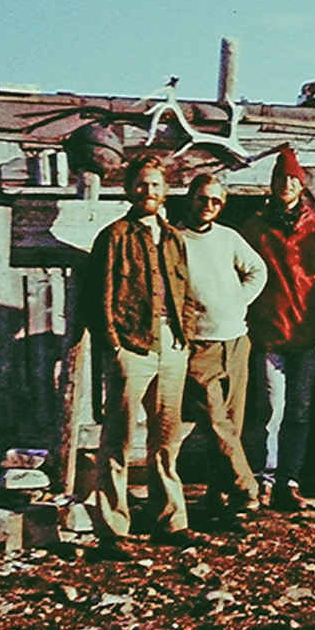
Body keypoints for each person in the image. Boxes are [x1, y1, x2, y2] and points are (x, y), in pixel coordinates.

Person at [87, 155, 194, 545]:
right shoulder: (114, 236)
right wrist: (114, 344)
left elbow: (185, 292)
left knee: (166, 440)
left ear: (166, 191)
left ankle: (171, 521)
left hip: (172, 345)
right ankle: (113, 529)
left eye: (155, 185)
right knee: (118, 440)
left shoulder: (174, 238)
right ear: (129, 189)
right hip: (132, 347)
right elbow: (99, 296)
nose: (148, 191)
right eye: (142, 184)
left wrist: (185, 338)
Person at [240, 147, 315, 510]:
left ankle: (289, 481)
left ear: (302, 185)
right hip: (269, 332)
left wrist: (311, 307)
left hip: (305, 331)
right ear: (272, 183)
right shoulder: (255, 226)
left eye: (293, 179)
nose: (287, 184)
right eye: (282, 179)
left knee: (300, 410)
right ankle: (265, 478)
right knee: (269, 409)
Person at [178, 173, 268, 521]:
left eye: (216, 201)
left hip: (236, 340)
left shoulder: (228, 238)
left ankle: (218, 500)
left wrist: (237, 301)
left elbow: (257, 270)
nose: (208, 205)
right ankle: (247, 488)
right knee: (216, 423)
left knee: (232, 424)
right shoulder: (174, 239)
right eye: (202, 198)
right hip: (199, 345)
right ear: (190, 198)